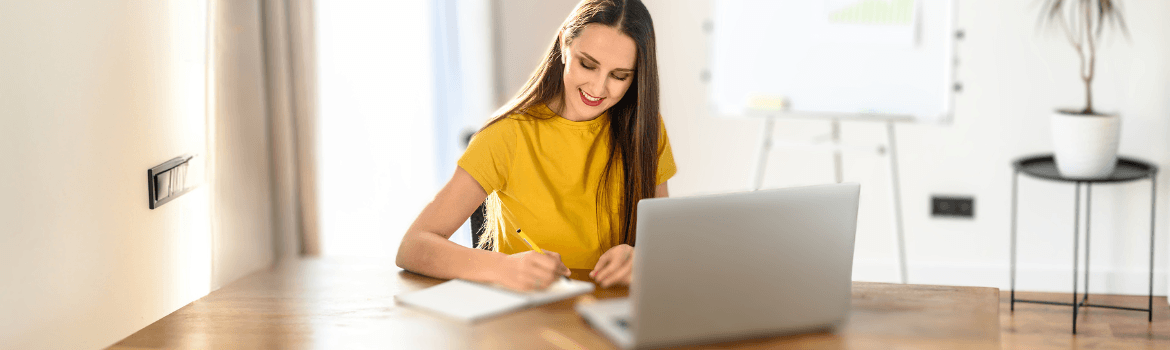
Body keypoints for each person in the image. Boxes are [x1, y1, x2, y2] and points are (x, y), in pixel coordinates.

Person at [395, 0, 674, 292]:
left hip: (612, 316)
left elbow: (664, 241)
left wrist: (641, 258)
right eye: (587, 64)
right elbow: (413, 246)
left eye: (619, 76)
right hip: (526, 320)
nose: (598, 88)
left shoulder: (645, 130)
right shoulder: (507, 135)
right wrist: (504, 267)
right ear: (565, 45)